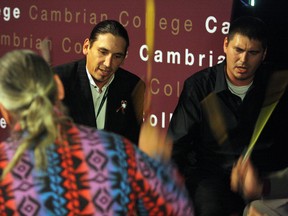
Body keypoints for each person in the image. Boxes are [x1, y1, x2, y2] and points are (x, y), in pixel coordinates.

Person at [0, 49, 194, 215]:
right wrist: (158, 163)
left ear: (4, 110)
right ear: (59, 88)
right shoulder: (118, 151)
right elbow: (176, 210)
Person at [167, 16, 288, 216]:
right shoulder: (199, 86)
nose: (243, 60)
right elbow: (177, 144)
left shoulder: (277, 85)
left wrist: (266, 183)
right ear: (225, 45)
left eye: (253, 53)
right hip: (211, 176)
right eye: (238, 50)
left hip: (261, 175)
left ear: (264, 54)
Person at [53, 20, 145, 144]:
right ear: (86, 47)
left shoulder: (132, 86)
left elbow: (133, 142)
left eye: (117, 56)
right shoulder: (59, 80)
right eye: (103, 52)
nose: (108, 63)